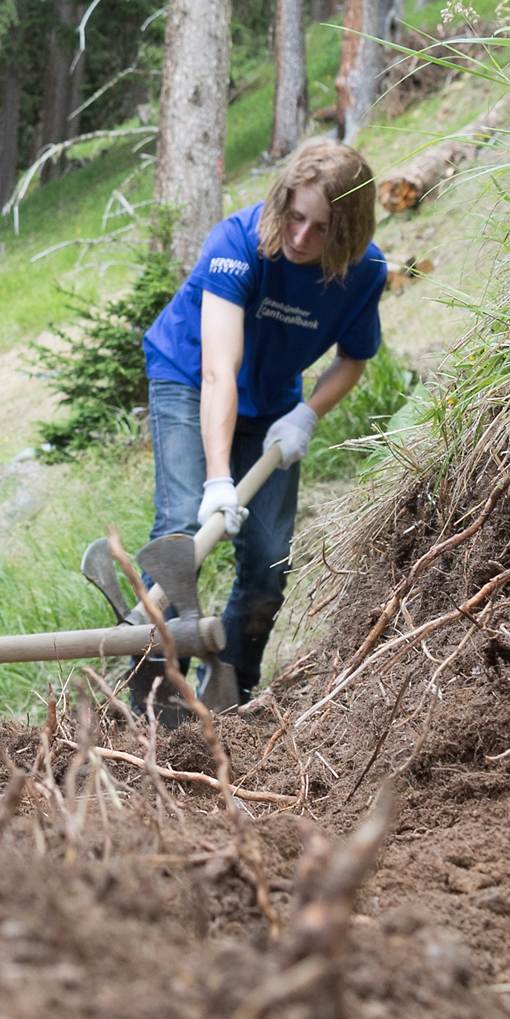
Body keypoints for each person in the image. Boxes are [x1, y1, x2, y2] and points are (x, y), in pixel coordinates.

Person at [126, 136, 385, 708]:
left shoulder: (365, 272)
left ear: (347, 233)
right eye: (296, 216)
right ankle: (152, 699)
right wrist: (219, 478)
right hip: (189, 379)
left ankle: (230, 695)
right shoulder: (238, 244)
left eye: (321, 229)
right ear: (283, 201)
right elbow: (219, 371)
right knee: (181, 530)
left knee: (269, 562)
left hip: (271, 402)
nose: (301, 237)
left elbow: (353, 357)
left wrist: (307, 414)